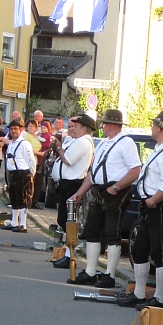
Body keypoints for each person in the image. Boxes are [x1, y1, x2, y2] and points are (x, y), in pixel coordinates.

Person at [118, 110, 163, 307]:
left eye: (154, 124)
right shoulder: (160, 149)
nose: (152, 127)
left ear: (161, 128)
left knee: (160, 252)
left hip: (162, 205)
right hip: (152, 205)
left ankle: (159, 298)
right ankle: (139, 293)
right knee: (140, 249)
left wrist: (153, 200)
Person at [68, 110, 141, 287]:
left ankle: (110, 275)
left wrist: (116, 188)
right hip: (99, 190)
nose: (102, 126)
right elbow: (93, 173)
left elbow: (135, 170)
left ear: (113, 125)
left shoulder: (126, 143)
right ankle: (90, 271)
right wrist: (80, 192)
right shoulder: (103, 143)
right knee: (92, 231)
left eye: (105, 123)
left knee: (112, 233)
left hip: (116, 191)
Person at [49, 114, 96, 272]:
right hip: (68, 183)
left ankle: (70, 254)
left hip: (72, 183)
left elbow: (68, 160)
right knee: (65, 219)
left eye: (76, 126)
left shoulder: (83, 142)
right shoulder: (78, 141)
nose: (73, 129)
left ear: (84, 128)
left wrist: (58, 148)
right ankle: (68, 252)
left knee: (69, 220)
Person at [2, 117, 36, 232]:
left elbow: (31, 160)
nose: (13, 131)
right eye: (11, 129)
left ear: (21, 130)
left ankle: (23, 224)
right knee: (14, 198)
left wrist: (31, 174)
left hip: (23, 174)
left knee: (23, 199)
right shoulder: (11, 143)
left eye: (16, 129)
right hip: (13, 173)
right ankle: (14, 222)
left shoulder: (24, 144)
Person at [32, 119, 52, 208]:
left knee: (38, 181)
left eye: (44, 128)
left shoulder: (46, 135)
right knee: (34, 180)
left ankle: (34, 201)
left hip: (41, 160)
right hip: (36, 159)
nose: (43, 129)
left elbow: (46, 144)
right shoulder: (39, 135)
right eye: (42, 127)